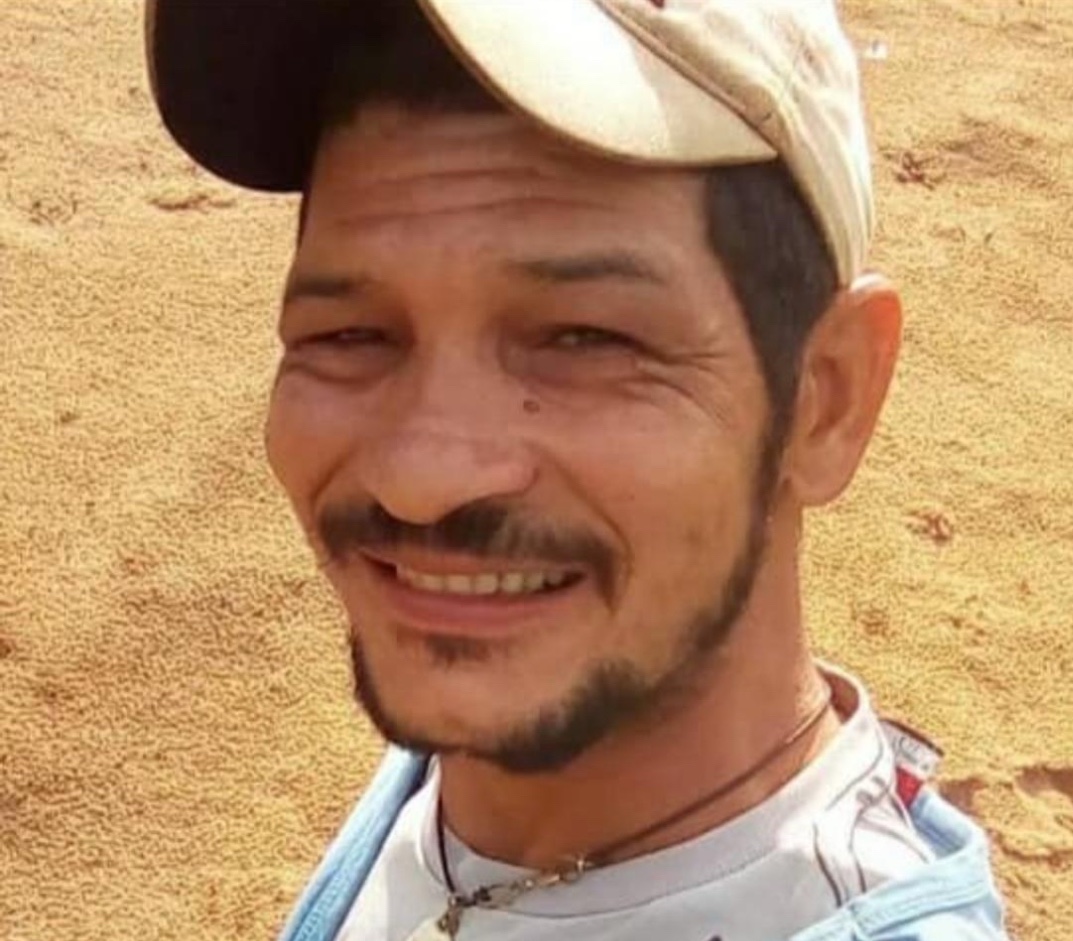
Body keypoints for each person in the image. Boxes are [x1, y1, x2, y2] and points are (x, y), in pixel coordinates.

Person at [145, 1, 1012, 939]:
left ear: (827, 399)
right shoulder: (483, 755)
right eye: (350, 334)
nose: (419, 480)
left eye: (584, 338)